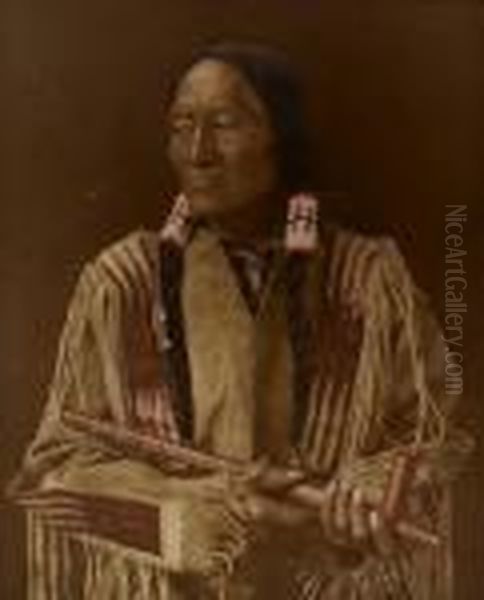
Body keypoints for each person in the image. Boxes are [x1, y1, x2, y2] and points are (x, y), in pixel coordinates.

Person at [9, 41, 470, 599]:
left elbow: (436, 431)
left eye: (225, 124)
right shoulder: (121, 285)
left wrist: (376, 485)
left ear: (282, 138)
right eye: (181, 125)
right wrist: (188, 513)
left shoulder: (368, 280)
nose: (198, 151)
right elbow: (51, 470)